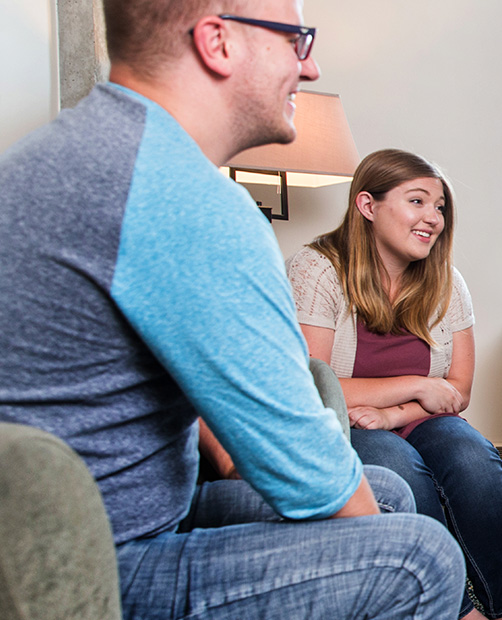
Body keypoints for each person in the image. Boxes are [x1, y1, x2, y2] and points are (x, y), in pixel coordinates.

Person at [0, 1, 465, 617]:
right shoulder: (181, 196)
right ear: (217, 42)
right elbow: (314, 477)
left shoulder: (79, 152)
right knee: (420, 558)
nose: (313, 67)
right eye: (296, 40)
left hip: (121, 513)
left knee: (388, 491)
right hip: (106, 560)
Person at [287, 148, 502, 620]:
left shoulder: (448, 282)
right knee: (399, 470)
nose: (433, 218)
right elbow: (313, 384)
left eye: (439, 207)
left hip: (418, 417)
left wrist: (396, 412)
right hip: (346, 423)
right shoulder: (316, 269)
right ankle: (453, 607)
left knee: (475, 460)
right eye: (417, 201)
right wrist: (417, 383)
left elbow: (457, 389)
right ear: (368, 206)